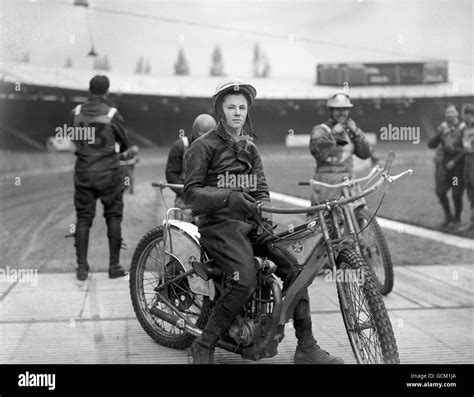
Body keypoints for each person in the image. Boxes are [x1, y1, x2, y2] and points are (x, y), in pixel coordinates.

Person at [184, 78, 343, 365]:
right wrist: (228, 197)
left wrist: (265, 217)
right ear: (220, 110)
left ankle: (306, 346)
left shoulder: (250, 147)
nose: (237, 112)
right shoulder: (202, 146)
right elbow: (191, 194)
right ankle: (203, 344)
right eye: (231, 107)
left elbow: (261, 190)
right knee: (243, 281)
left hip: (252, 226)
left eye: (242, 107)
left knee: (296, 267)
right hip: (219, 227)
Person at [70, 75, 129, 281]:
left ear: (89, 89)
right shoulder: (113, 113)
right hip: (109, 173)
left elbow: (76, 140)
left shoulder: (76, 112)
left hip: (84, 171)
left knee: (83, 218)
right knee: (113, 216)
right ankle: (114, 266)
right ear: (107, 91)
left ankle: (82, 268)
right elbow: (125, 143)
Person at [308, 92, 373, 215]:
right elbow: (317, 151)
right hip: (327, 185)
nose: (342, 113)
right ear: (331, 111)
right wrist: (332, 134)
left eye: (345, 109)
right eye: (337, 109)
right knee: (323, 226)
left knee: (358, 221)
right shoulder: (321, 130)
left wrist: (357, 132)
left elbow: (366, 153)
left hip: (349, 183)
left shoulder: (350, 131)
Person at [165, 114, 216, 222]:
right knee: (183, 235)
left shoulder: (217, 149)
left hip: (209, 203)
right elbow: (171, 174)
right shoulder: (180, 146)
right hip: (185, 203)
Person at [427, 104, 465, 228]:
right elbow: (431, 145)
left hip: (457, 167)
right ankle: (448, 216)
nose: (449, 115)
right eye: (447, 113)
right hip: (444, 166)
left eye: (452, 112)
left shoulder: (463, 128)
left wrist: (454, 161)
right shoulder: (442, 128)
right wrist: (439, 134)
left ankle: (457, 219)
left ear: (457, 114)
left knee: (456, 194)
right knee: (440, 192)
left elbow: (467, 148)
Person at [458, 104, 474, 232]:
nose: (461, 115)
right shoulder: (464, 128)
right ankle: (472, 222)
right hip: (467, 160)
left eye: (462, 113)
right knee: (470, 191)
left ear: (468, 114)